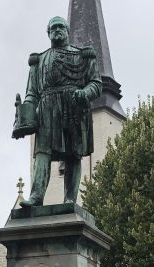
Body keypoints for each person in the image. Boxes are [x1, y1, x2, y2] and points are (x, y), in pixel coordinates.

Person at [14, 16, 102, 207]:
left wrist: (85, 93)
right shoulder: (39, 60)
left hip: (74, 108)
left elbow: (96, 83)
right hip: (47, 110)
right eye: (53, 28)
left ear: (68, 31)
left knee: (73, 154)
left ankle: (70, 198)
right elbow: (32, 93)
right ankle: (36, 197)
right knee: (42, 153)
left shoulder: (83, 56)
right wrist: (24, 114)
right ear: (48, 33)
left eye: (61, 27)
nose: (57, 30)